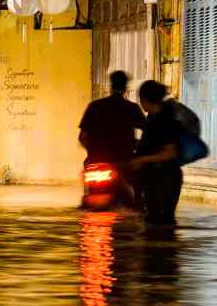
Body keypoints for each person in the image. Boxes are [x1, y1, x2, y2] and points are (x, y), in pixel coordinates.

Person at [78, 69, 145, 199]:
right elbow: (148, 132)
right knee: (138, 201)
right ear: (126, 87)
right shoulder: (132, 109)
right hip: (125, 163)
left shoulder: (94, 106)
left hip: (96, 163)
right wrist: (137, 144)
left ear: (111, 86)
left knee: (89, 198)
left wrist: (92, 152)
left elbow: (82, 138)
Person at [129, 80, 186, 226]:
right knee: (154, 224)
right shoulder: (152, 117)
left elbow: (170, 152)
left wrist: (143, 160)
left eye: (140, 98)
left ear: (145, 99)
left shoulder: (165, 119)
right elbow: (153, 144)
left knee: (162, 223)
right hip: (154, 179)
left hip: (165, 179)